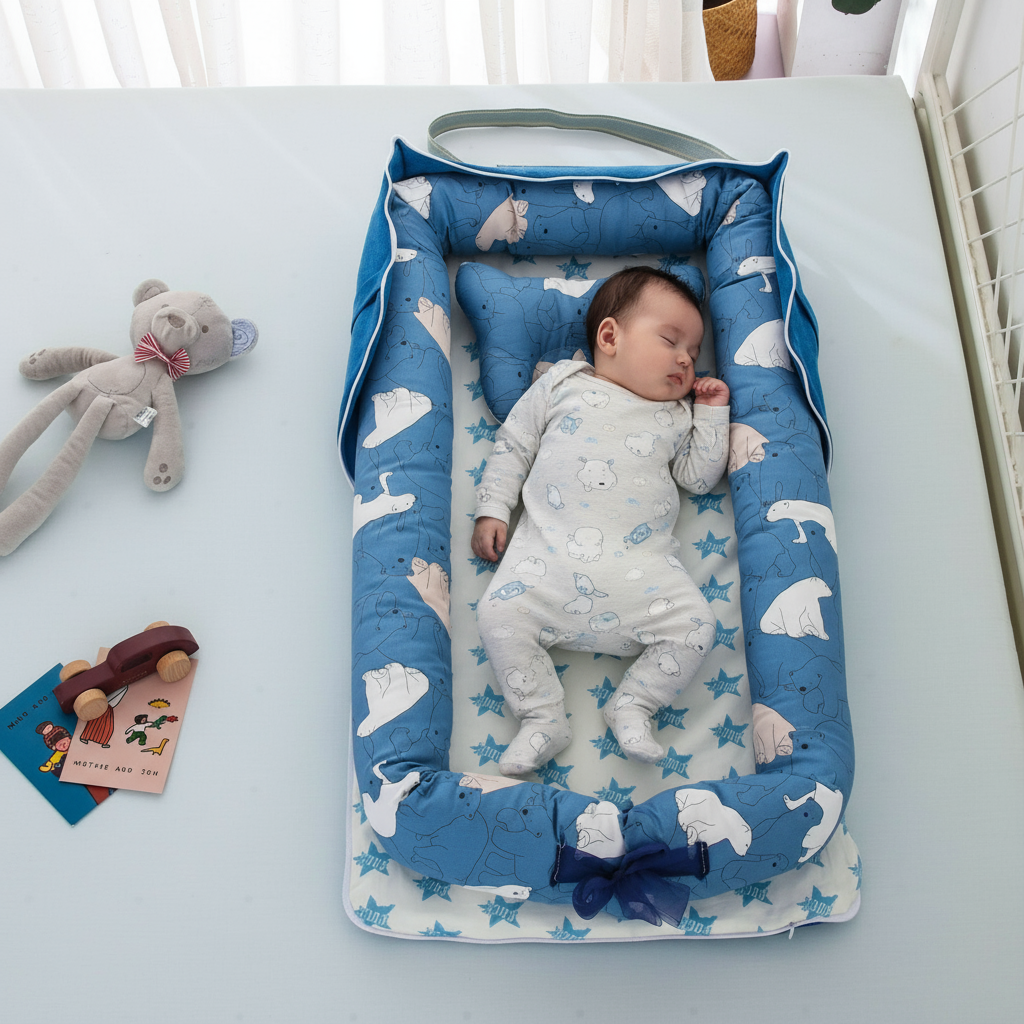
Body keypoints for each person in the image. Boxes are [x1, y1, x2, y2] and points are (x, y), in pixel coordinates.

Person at [471, 265, 730, 776]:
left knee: (697, 627)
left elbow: (699, 478)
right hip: (546, 566)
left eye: (694, 352)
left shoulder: (678, 415)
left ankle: (633, 704)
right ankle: (542, 716)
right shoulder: (561, 384)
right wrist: (491, 508)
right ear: (610, 336)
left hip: (642, 575)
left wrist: (712, 414)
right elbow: (514, 446)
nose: (685, 359)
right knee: (498, 616)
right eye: (671, 340)